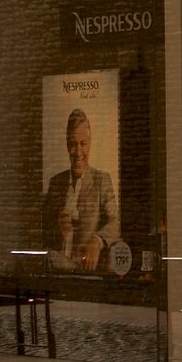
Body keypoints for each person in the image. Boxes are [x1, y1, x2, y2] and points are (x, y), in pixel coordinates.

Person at [41, 108, 118, 271]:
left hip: (85, 267)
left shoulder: (101, 180)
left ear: (90, 144)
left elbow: (116, 222)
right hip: (57, 266)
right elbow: (42, 230)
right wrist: (57, 229)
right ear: (67, 145)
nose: (78, 152)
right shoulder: (56, 182)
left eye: (83, 144)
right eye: (73, 144)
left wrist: (97, 240)